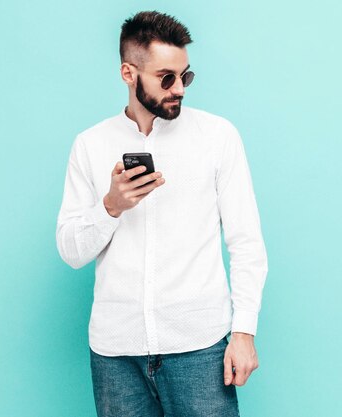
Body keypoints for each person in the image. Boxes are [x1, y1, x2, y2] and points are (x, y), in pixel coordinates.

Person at [56, 10, 268, 417]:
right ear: (128, 73)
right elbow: (71, 250)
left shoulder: (217, 136)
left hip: (199, 349)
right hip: (116, 355)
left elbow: (246, 241)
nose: (179, 89)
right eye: (165, 78)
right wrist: (111, 207)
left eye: (185, 76)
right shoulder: (90, 144)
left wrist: (243, 331)